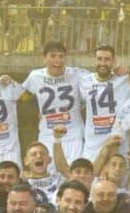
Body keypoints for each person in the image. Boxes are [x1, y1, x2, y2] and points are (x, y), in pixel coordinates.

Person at [79, 43, 130, 162]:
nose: (103, 63)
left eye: (107, 59)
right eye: (99, 59)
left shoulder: (125, 79)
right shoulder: (84, 81)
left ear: (114, 61)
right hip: (92, 149)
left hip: (119, 148)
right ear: (94, 60)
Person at [21, 42, 92, 170]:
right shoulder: (35, 76)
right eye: (53, 56)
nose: (57, 60)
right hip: (47, 136)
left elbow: (100, 78)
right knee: (48, 174)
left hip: (73, 136)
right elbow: (21, 96)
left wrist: (116, 71)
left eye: (61, 56)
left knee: (72, 174)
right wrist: (4, 82)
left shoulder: (78, 74)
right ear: (44, 58)